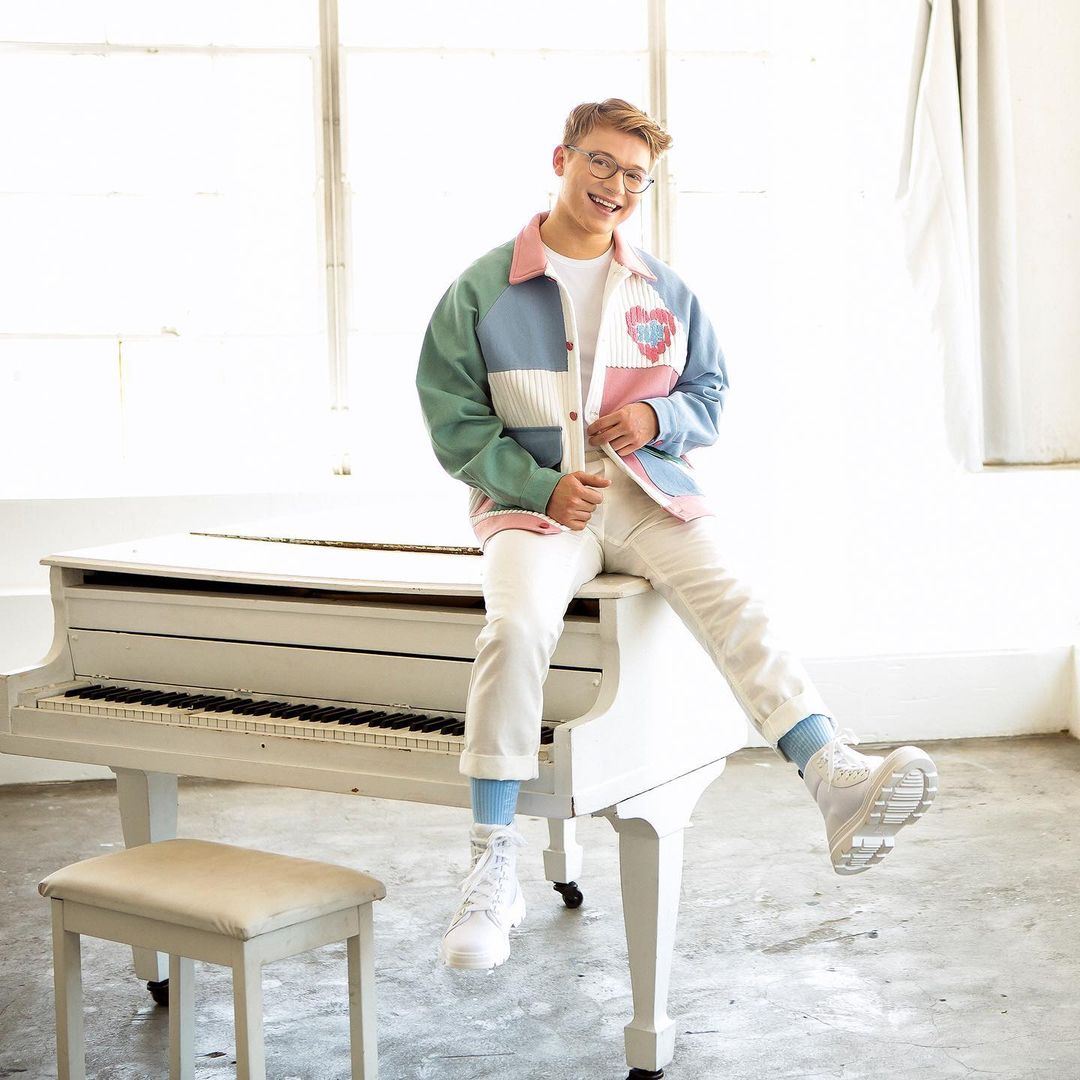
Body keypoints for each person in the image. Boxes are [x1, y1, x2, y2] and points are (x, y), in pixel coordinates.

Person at [415, 98, 938, 971]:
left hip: (649, 492)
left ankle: (831, 773)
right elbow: (452, 416)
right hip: (535, 503)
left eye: (635, 176)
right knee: (514, 628)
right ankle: (491, 865)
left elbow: (709, 395)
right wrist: (540, 483)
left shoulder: (665, 288)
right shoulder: (482, 288)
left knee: (735, 598)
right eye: (601, 163)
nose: (616, 186)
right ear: (562, 159)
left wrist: (656, 418)